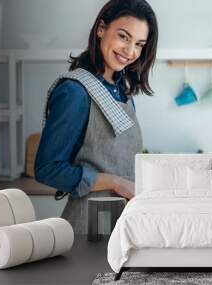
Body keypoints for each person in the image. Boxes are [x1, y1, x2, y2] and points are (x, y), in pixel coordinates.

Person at [34, 0, 158, 234]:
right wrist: (115, 183)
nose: (130, 52)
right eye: (123, 37)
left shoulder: (122, 91)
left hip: (123, 225)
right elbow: (47, 169)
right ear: (101, 29)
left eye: (139, 44)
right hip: (89, 227)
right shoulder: (75, 91)